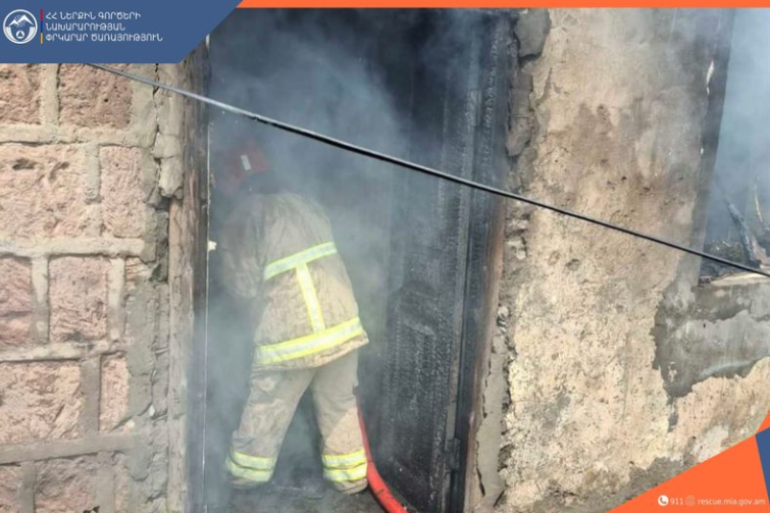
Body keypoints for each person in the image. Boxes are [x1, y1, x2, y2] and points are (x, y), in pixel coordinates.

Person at [217, 138, 369, 496]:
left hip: (290, 338)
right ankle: (351, 481)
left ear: (236, 183)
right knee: (339, 406)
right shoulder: (305, 204)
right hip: (342, 330)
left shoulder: (246, 216)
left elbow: (241, 286)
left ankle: (243, 480)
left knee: (267, 405)